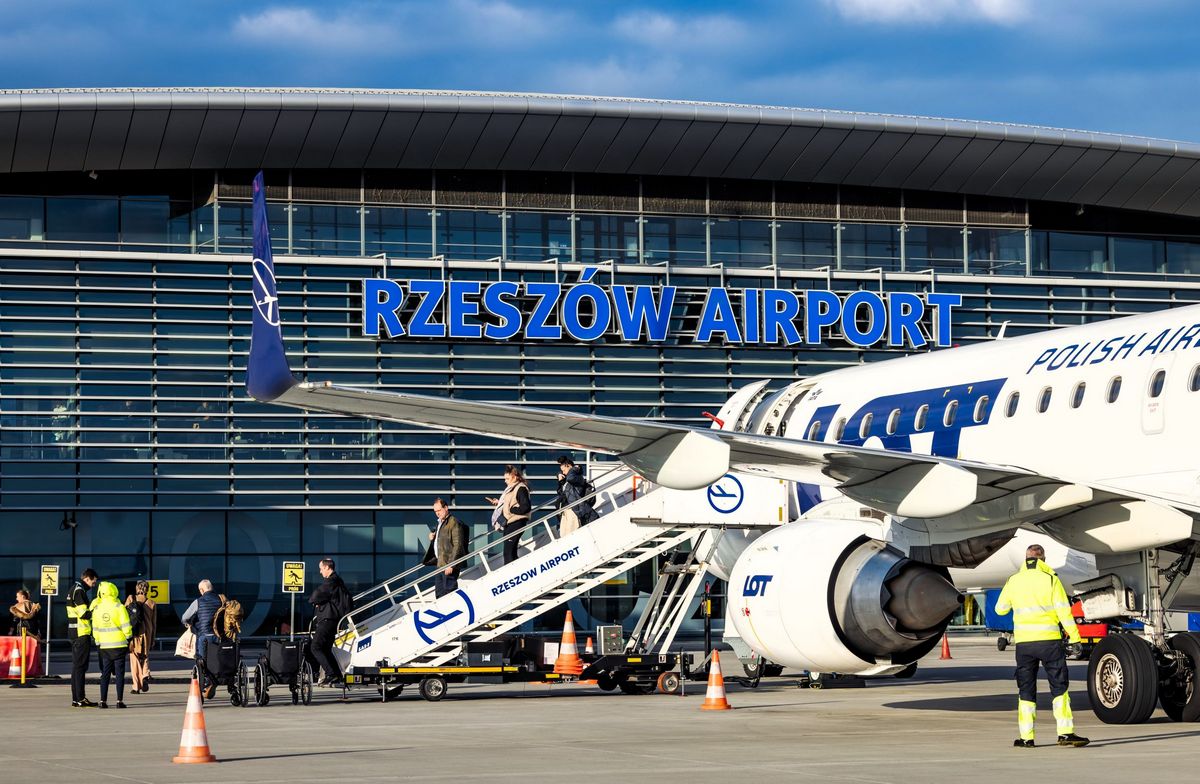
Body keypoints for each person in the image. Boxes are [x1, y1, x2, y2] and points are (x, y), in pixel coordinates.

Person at [995, 544, 1089, 748]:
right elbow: (1065, 612)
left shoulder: (1013, 580)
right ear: (1042, 559)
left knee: (1026, 690)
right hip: (1049, 643)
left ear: (1026, 558)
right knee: (1059, 687)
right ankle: (1065, 733)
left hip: (1024, 645)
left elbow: (1000, 609)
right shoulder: (1051, 579)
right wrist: (1075, 639)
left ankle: (1026, 738)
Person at [88, 581, 132, 708]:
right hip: (119, 646)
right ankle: (119, 701)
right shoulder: (119, 607)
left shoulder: (97, 608)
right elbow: (126, 626)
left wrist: (98, 641)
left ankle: (103, 701)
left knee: (105, 674)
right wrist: (128, 637)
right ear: (114, 591)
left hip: (104, 647)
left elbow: (94, 628)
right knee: (119, 674)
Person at [308, 558, 350, 685]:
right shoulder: (337, 581)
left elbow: (318, 594)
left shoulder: (331, 580)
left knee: (315, 646)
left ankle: (331, 674)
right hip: (332, 619)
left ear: (327, 567)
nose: (320, 572)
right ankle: (336, 675)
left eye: (321, 569)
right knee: (325, 649)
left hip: (328, 619)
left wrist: (314, 601)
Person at [66, 568, 99, 708]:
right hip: (81, 633)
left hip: (75, 633)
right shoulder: (79, 591)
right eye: (93, 582)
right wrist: (97, 610)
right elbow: (84, 614)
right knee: (80, 667)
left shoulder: (74, 588)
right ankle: (80, 698)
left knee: (76, 667)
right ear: (87, 579)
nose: (94, 585)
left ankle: (76, 698)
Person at [424, 497, 469, 597]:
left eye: (439, 510)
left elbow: (458, 544)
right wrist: (433, 537)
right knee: (440, 595)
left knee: (450, 592)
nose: (437, 513)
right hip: (440, 564)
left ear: (446, 508)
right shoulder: (440, 523)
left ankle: (454, 612)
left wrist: (451, 564)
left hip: (448, 564)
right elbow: (442, 541)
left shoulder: (454, 522)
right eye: (435, 511)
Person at [493, 465, 531, 565]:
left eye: (507, 478)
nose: (505, 481)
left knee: (508, 552)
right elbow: (512, 502)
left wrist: (512, 510)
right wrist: (500, 503)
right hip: (510, 523)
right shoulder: (512, 489)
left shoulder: (520, 488)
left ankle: (509, 575)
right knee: (511, 552)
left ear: (514, 477)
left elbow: (526, 507)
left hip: (516, 522)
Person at [125, 580, 157, 694]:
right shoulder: (151, 603)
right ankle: (145, 675)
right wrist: (152, 638)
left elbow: (125, 616)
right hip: (147, 633)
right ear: (147, 589)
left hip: (134, 633)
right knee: (145, 656)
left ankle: (136, 686)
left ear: (137, 588)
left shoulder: (130, 598)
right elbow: (154, 623)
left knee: (134, 658)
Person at [180, 579, 221, 662]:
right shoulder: (221, 600)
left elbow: (185, 617)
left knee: (202, 660)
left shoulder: (198, 602)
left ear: (201, 590)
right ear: (211, 588)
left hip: (204, 636)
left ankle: (204, 673)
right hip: (219, 636)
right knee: (218, 659)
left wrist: (187, 623)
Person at [556, 456, 597, 536]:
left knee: (571, 534)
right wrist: (560, 480)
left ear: (569, 466)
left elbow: (571, 478)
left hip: (574, 510)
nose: (563, 473)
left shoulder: (578, 477)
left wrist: (575, 468)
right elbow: (561, 493)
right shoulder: (567, 480)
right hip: (565, 511)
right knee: (563, 535)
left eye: (564, 470)